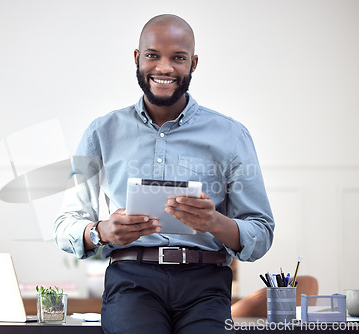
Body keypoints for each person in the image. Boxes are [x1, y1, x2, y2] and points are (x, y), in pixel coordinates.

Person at [55, 14, 274, 334]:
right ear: (137, 58)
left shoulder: (232, 136)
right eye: (153, 55)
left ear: (194, 63)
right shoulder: (101, 132)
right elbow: (66, 224)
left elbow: (261, 231)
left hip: (206, 286)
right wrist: (101, 231)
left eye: (178, 58)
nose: (165, 67)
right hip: (132, 282)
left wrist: (215, 222)